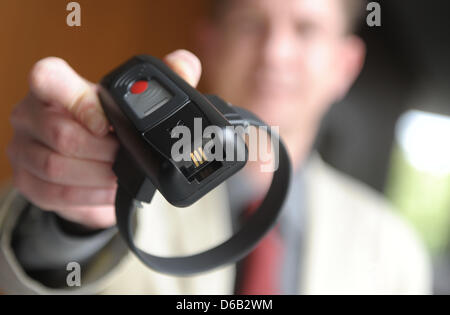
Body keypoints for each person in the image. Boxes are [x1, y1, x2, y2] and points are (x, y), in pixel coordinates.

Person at [0, 0, 431, 294]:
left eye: (306, 30)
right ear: (210, 43)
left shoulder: (394, 248)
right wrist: (72, 221)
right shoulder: (119, 180)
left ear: (345, 65)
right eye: (250, 23)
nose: (275, 53)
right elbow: (28, 277)